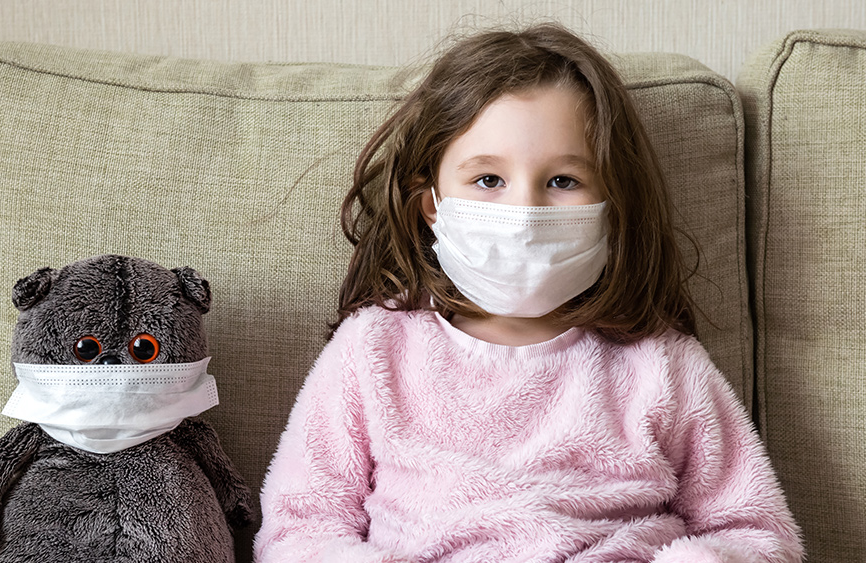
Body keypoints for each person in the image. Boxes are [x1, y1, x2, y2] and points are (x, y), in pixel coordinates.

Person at [254, 23, 803, 563]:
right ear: (432, 206)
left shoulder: (660, 362)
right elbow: (300, 527)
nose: (525, 215)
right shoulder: (374, 349)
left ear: (611, 207)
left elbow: (755, 532)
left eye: (563, 181)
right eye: (488, 180)